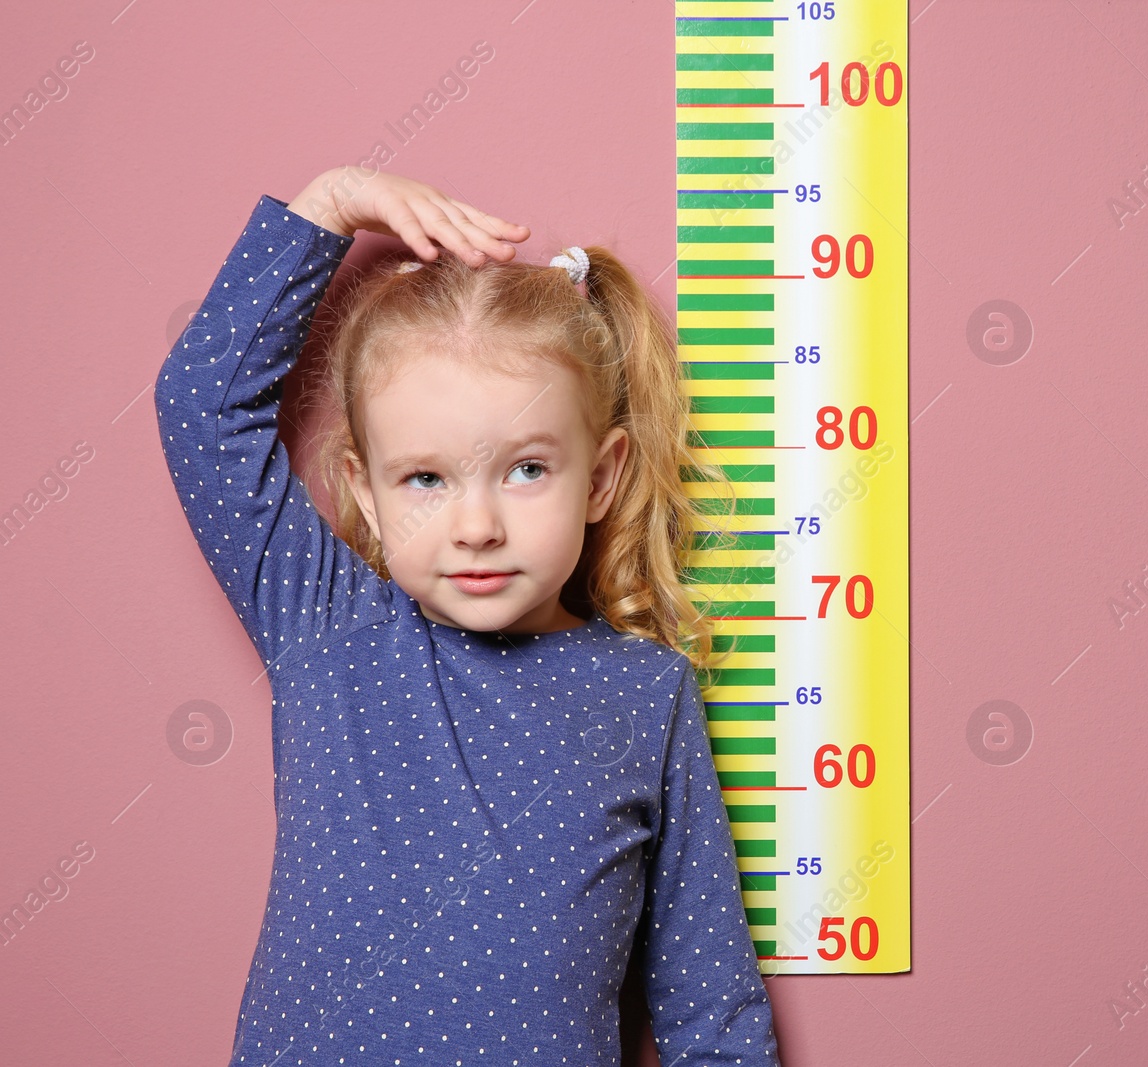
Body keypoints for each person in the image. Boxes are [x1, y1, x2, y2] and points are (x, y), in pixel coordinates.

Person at [154, 166, 781, 1065]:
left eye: (527, 469)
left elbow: (711, 1007)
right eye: (426, 479)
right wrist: (327, 207)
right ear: (365, 498)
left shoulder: (648, 693)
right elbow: (201, 409)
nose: (478, 527)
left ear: (599, 477)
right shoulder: (327, 625)